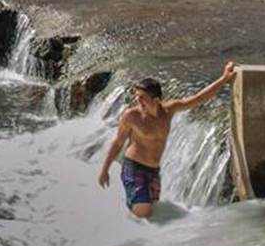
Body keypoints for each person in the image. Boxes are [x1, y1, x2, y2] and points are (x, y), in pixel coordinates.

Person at [97, 62, 237, 219]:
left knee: (153, 213)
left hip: (154, 171)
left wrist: (224, 78)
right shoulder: (131, 116)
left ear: (156, 100)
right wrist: (105, 170)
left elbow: (198, 99)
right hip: (133, 168)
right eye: (136, 96)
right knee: (144, 212)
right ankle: (123, 214)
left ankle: (133, 208)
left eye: (142, 98)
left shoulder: (168, 111)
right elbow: (118, 143)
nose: (138, 101)